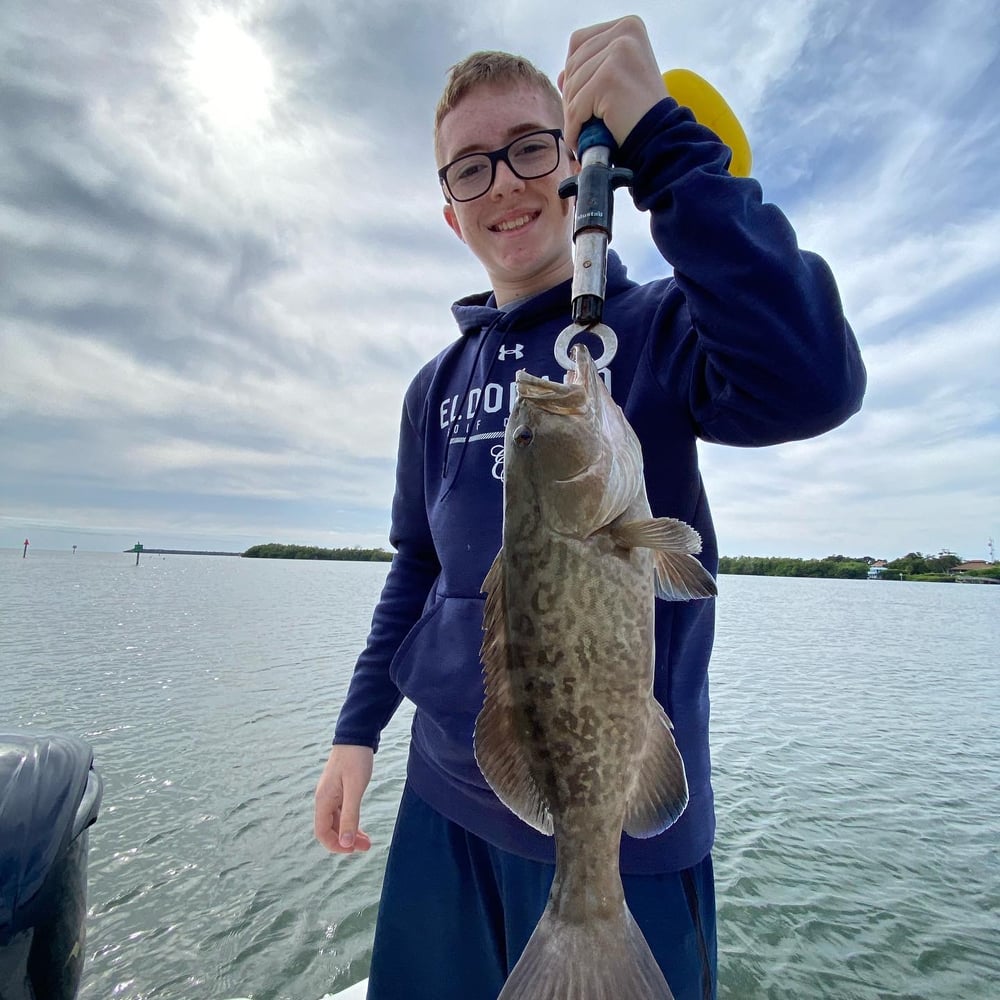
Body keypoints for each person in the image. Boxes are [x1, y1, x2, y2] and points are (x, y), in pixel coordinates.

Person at [314, 15, 866, 1000]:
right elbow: (417, 566)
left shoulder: (652, 328)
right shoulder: (434, 387)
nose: (505, 182)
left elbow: (811, 377)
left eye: (530, 147)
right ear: (450, 211)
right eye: (468, 168)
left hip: (617, 833)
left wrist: (661, 140)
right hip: (445, 796)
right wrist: (359, 728)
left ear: (578, 165)